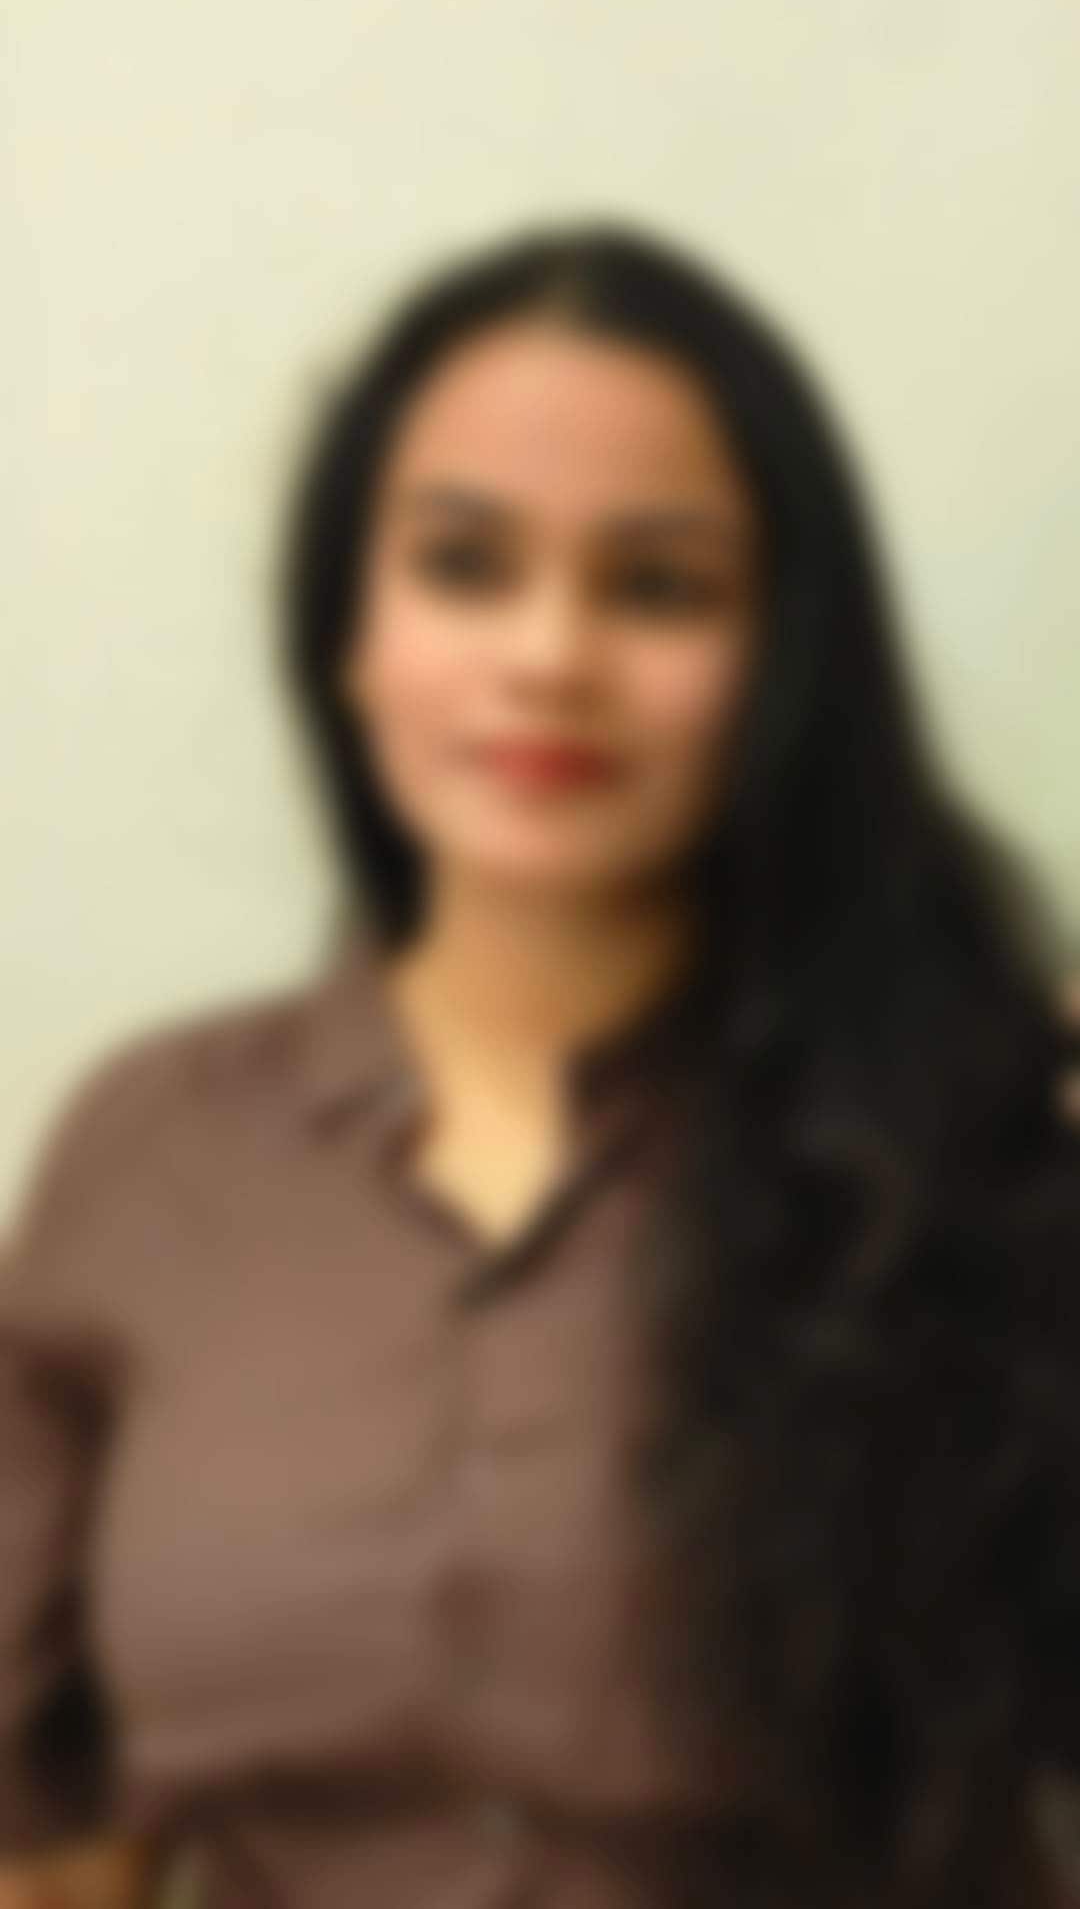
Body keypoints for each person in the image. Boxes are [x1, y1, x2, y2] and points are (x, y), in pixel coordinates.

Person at [2, 220, 1078, 1909]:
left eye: (657, 588)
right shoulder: (148, 1149)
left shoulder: (979, 1139)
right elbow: (54, 1843)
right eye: (464, 565)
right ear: (350, 632)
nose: (550, 656)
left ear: (784, 665)